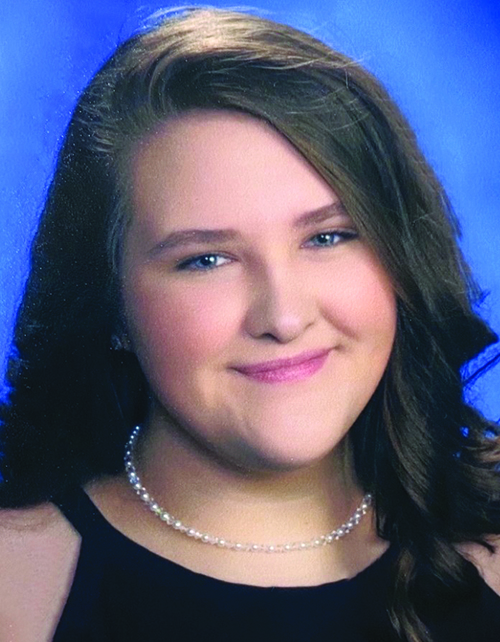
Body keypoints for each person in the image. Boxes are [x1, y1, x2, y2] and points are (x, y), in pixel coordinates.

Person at [1, 6, 499, 641]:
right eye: (206, 259)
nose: (284, 317)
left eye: (328, 237)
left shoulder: (490, 563)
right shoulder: (12, 587)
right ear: (111, 307)